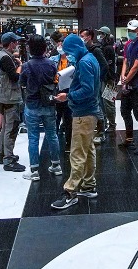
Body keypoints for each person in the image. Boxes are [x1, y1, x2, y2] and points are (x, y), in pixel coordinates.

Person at [52, 32, 102, 210]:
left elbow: (87, 90)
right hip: (89, 112)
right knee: (87, 150)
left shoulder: (84, 62)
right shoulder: (90, 58)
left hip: (83, 112)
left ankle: (70, 191)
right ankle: (89, 185)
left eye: (68, 52)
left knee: (77, 153)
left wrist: (68, 96)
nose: (67, 55)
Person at [21, 35, 63, 181]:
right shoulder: (51, 64)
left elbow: (22, 83)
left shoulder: (26, 65)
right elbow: (56, 80)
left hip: (32, 104)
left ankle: (34, 170)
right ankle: (56, 165)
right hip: (49, 103)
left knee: (33, 137)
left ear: (29, 48)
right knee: (52, 134)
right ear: (45, 48)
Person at [0, 33, 26, 172]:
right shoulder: (6, 58)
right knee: (11, 128)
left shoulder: (3, 54)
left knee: (6, 127)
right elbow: (14, 77)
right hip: (10, 96)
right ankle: (9, 159)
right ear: (11, 43)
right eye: (16, 42)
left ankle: (3, 154)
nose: (17, 45)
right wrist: (20, 66)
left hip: (2, 95)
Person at [118, 19, 138, 147]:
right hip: (129, 83)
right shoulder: (130, 44)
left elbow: (136, 66)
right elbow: (126, 61)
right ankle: (129, 138)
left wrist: (126, 79)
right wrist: (123, 76)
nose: (130, 33)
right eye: (129, 30)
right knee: (125, 111)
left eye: (133, 31)